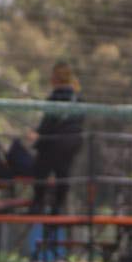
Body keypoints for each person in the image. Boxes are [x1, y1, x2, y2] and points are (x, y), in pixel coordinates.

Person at [29, 62, 85, 215]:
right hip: (72, 141)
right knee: (63, 173)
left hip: (55, 141)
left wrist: (38, 135)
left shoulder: (56, 97)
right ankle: (58, 206)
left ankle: (38, 204)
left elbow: (48, 123)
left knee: (41, 169)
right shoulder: (77, 98)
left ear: (55, 78)